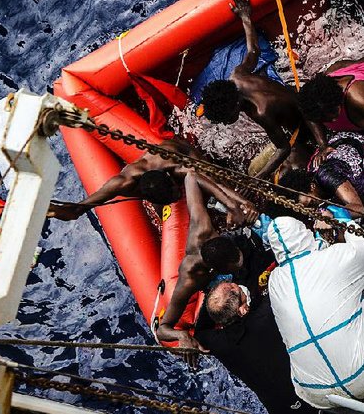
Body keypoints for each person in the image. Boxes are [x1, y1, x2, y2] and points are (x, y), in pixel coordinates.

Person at [263, 212, 364, 409]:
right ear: (305, 234)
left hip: (315, 395)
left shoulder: (274, 282)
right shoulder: (333, 258)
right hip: (363, 375)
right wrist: (343, 221)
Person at [155, 172, 267, 359]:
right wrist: (182, 335)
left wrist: (234, 206)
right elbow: (163, 329)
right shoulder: (190, 279)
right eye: (234, 264)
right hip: (222, 290)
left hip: (235, 252)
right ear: (220, 269)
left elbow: (191, 177)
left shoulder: (202, 230)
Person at [200, 0, 306, 179]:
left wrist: (259, 177)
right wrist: (246, 16)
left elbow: (284, 147)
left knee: (281, 171)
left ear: (235, 105)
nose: (226, 123)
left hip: (304, 125)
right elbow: (253, 51)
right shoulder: (237, 76)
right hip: (294, 94)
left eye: (226, 118)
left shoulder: (261, 112)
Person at [46, 138, 257, 226]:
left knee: (211, 186)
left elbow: (214, 179)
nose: (178, 197)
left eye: (177, 194)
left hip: (190, 157)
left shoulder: (175, 164)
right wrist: (54, 210)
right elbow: (77, 210)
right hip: (158, 188)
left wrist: (238, 203)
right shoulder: (122, 183)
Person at [194, 277, 317, 413]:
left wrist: (214, 297)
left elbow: (200, 331)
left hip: (279, 407)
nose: (238, 286)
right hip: (310, 391)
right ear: (242, 310)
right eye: (240, 291)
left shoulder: (220, 344)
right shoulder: (265, 317)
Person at [297, 57, 364, 183]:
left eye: (333, 115)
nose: (333, 120)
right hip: (342, 69)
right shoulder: (314, 104)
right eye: (326, 119)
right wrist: (323, 145)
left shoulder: (361, 100)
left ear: (338, 102)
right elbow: (309, 116)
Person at [278, 129, 364, 215]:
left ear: (311, 186)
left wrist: (331, 215)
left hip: (362, 142)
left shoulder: (327, 176)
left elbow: (359, 209)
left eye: (310, 203)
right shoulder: (313, 182)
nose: (312, 208)